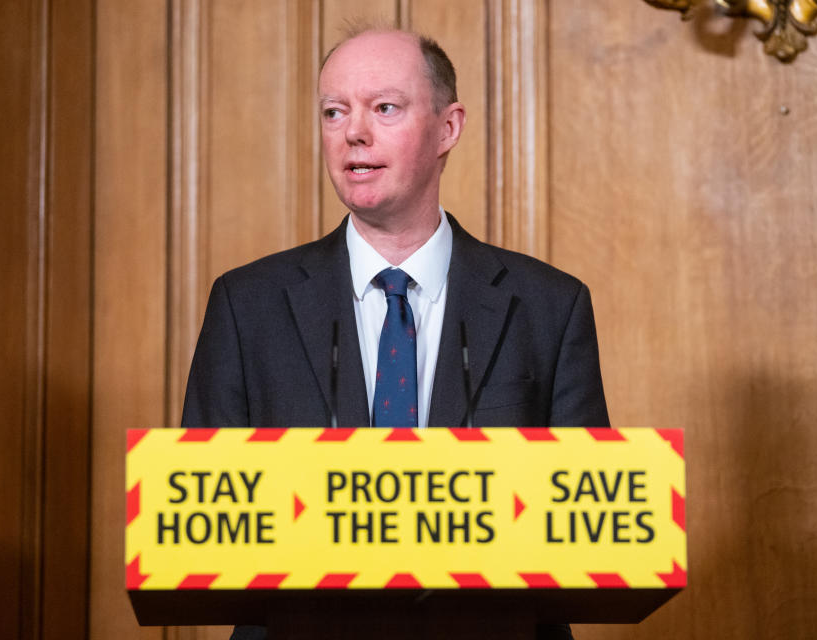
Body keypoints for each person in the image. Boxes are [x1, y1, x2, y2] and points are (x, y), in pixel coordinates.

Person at [182, 28, 609, 640]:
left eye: (384, 108)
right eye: (335, 112)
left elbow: (584, 528)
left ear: (448, 128)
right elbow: (202, 522)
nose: (354, 132)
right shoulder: (247, 304)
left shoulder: (549, 306)